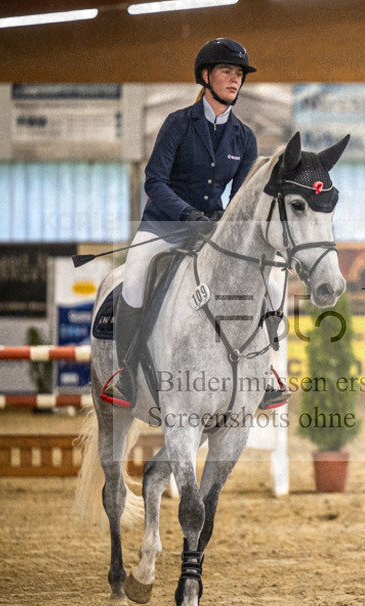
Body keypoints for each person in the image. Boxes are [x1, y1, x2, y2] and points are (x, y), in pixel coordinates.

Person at [101, 37, 290, 411]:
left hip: (210, 235)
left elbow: (240, 198)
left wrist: (223, 221)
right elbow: (154, 181)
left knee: (269, 284)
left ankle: (264, 370)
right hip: (163, 227)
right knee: (135, 277)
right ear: (205, 76)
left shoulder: (244, 137)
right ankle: (126, 373)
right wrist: (186, 214)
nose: (234, 80)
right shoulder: (177, 124)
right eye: (226, 72)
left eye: (239, 74)